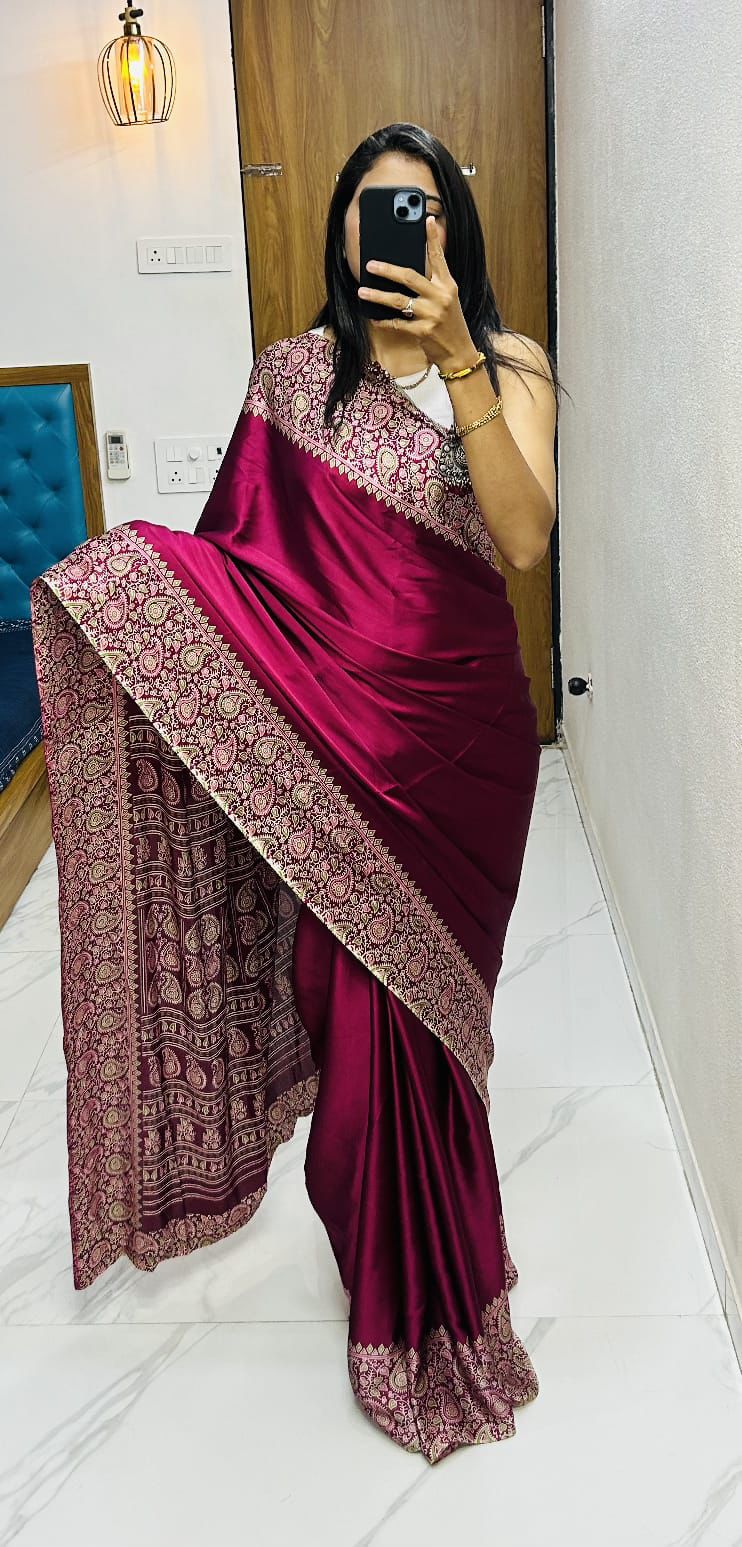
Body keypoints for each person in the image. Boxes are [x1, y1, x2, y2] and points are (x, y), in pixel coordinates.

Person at [30, 122, 559, 1465]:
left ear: (451, 233)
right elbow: (240, 568)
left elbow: (522, 536)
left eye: (417, 211)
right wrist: (129, 590)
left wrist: (457, 360)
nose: (392, 234)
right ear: (338, 234)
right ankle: (391, 1288)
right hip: (328, 755)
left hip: (460, 755)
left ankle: (440, 1286)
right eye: (371, 211)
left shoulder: (510, 366)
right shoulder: (292, 378)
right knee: (346, 1015)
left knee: (434, 1025)